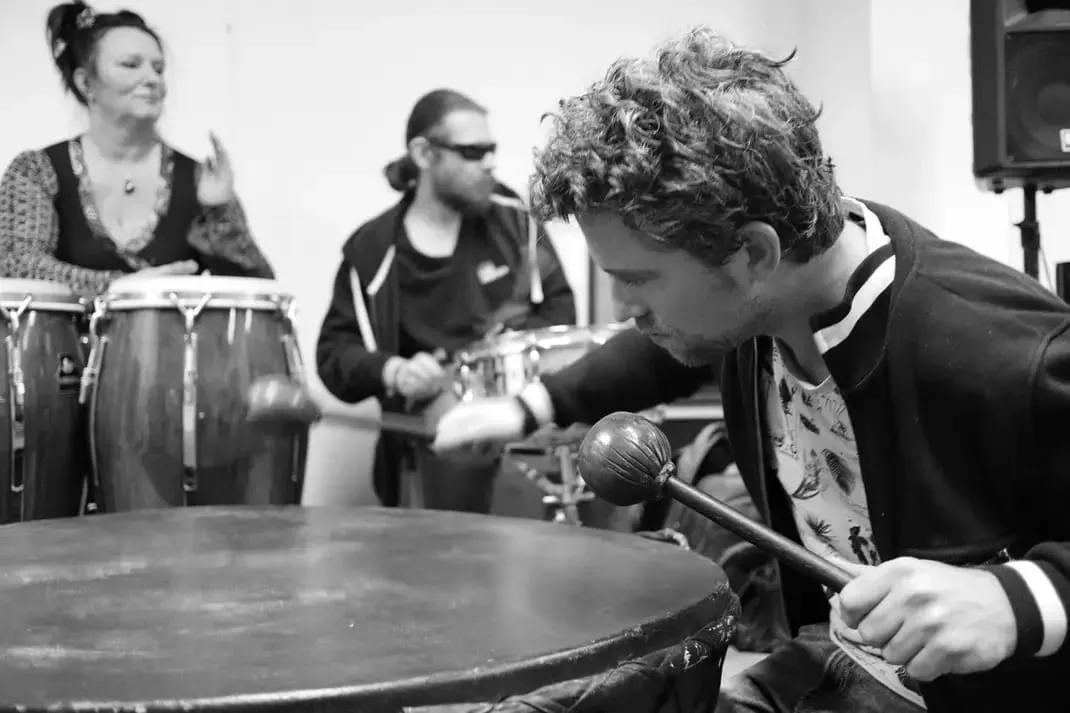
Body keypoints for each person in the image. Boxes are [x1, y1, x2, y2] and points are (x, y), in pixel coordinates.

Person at [432, 27, 1067, 713]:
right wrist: (527, 407)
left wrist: (1019, 600)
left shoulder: (999, 345)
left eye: (636, 280)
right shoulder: (754, 305)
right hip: (839, 658)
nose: (624, 308)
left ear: (755, 255)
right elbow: (654, 350)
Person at [315, 89, 576, 513]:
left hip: (519, 424)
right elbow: (334, 354)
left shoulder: (517, 222)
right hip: (427, 444)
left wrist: (498, 358)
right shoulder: (372, 252)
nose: (489, 163)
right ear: (423, 153)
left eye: (491, 150)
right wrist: (394, 371)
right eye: (473, 152)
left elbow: (561, 311)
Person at [0, 1, 274, 299]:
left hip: (171, 332)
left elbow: (259, 294)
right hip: (66, 333)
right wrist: (121, 290)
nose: (153, 79)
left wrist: (219, 214)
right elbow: (16, 267)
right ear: (86, 83)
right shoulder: (36, 170)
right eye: (130, 65)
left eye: (158, 68)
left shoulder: (197, 178)